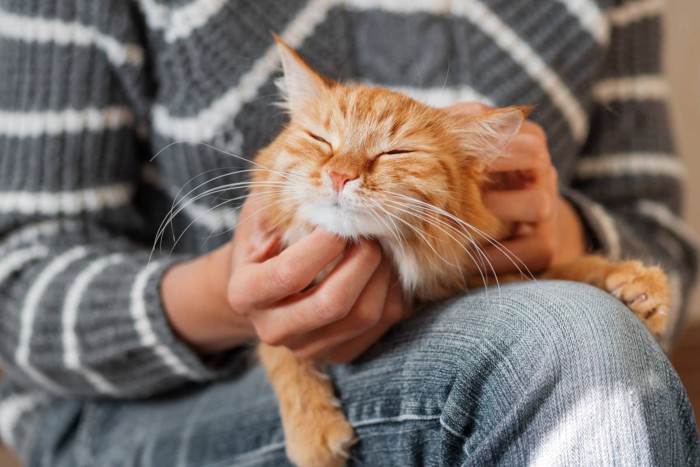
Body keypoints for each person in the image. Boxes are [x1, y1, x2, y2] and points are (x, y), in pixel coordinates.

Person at [0, 0, 697, 465]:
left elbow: (659, 246)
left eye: (390, 156)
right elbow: (15, 288)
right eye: (319, 145)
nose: (343, 172)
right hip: (132, 406)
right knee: (571, 341)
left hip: (495, 333)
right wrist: (226, 298)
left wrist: (556, 238)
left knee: (574, 333)